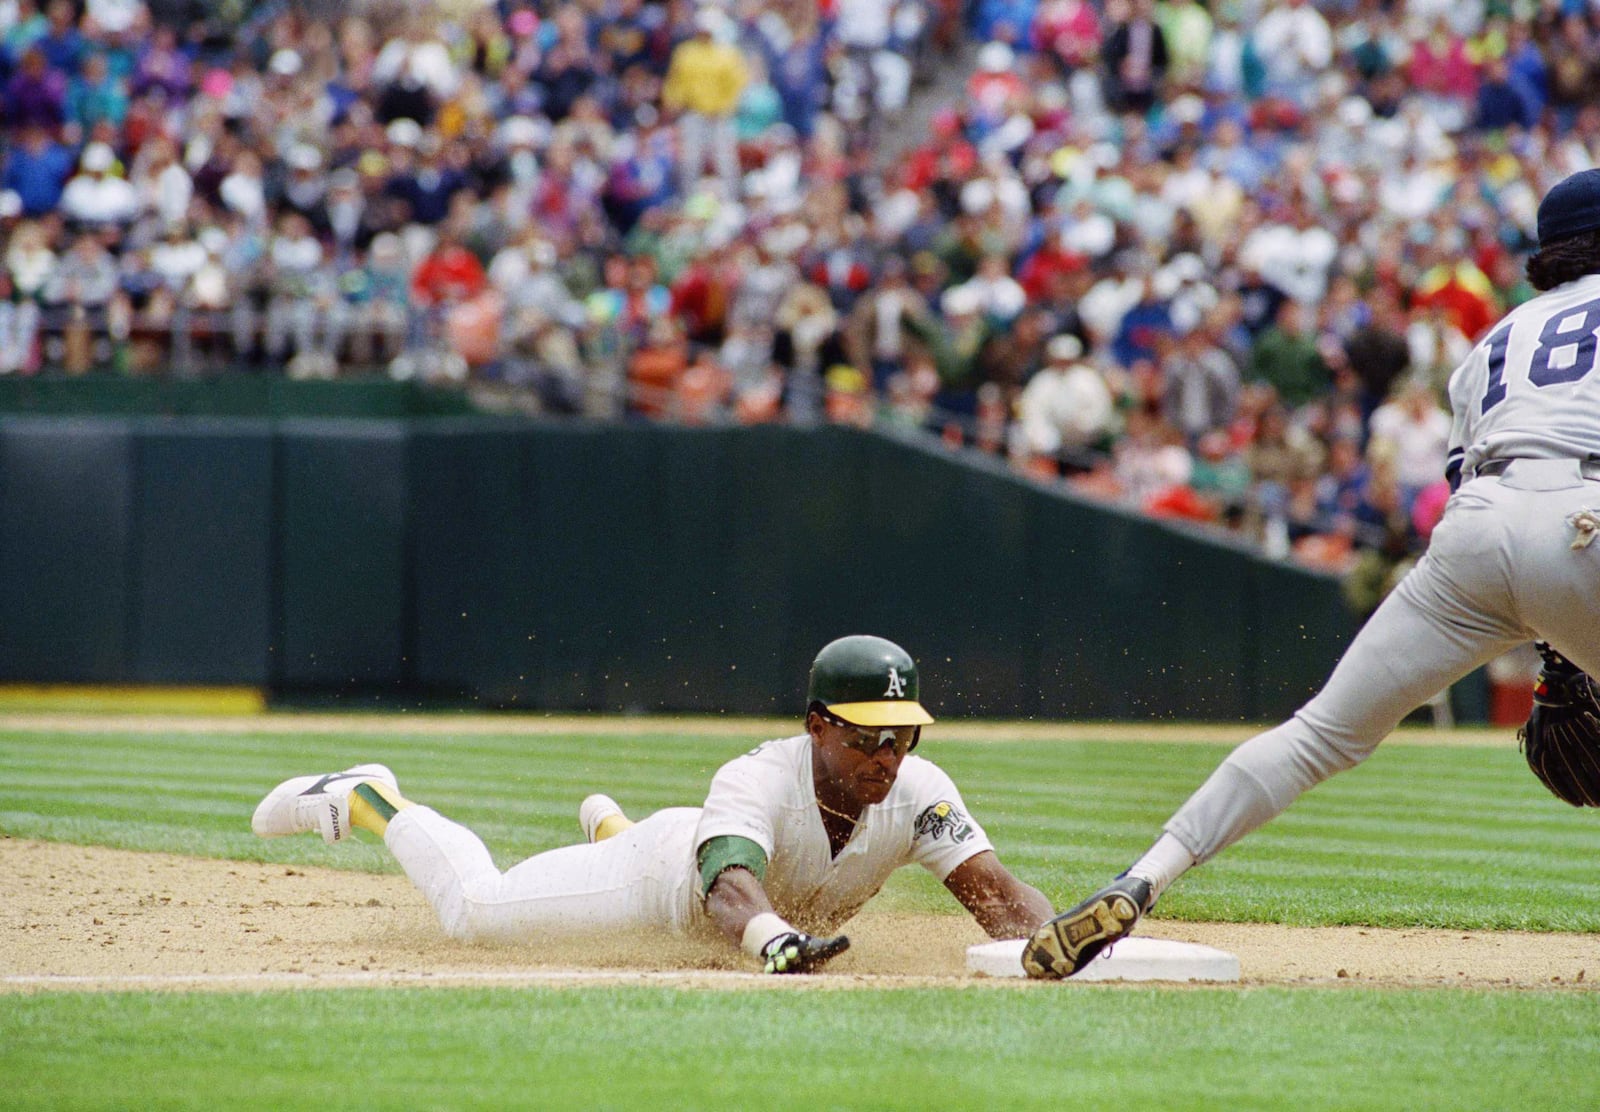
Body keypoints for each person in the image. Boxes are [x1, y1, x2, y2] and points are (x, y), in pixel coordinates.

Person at [1024, 167, 1600, 978]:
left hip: (1475, 530)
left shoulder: (1495, 339)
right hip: (1586, 514)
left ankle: (1142, 877)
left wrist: (1553, 641)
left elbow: (1473, 484)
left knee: (1318, 734)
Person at [253, 635, 1052, 973]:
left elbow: (998, 897)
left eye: (901, 736)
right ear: (816, 726)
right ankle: (370, 797)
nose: (889, 755)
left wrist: (1066, 943)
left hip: (708, 870)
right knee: (474, 912)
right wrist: (776, 942)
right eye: (867, 738)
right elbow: (730, 885)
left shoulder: (921, 790)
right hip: (658, 879)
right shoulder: (758, 778)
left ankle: (609, 826)